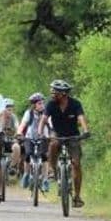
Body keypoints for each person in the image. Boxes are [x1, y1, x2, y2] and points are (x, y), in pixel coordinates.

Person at [37, 79, 90, 208]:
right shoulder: (50, 104)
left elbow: (81, 117)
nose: (52, 93)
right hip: (57, 134)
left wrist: (86, 130)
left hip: (73, 136)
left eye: (55, 91)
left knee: (76, 164)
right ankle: (51, 169)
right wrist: (40, 133)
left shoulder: (75, 104)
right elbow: (43, 119)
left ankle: (77, 197)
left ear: (63, 93)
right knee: (53, 144)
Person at [16, 93, 50, 191]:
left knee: (44, 156)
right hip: (29, 137)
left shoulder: (46, 113)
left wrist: (52, 134)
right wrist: (19, 133)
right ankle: (26, 174)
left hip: (43, 137)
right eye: (39, 103)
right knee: (28, 154)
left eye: (43, 103)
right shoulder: (29, 113)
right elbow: (23, 124)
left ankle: (45, 180)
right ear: (34, 105)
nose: (42, 105)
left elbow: (51, 125)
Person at [2, 98, 20, 175]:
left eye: (11, 109)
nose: (9, 111)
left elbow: (17, 127)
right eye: (8, 109)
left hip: (10, 140)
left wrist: (17, 135)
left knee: (16, 147)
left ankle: (12, 166)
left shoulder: (14, 117)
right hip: (0, 140)